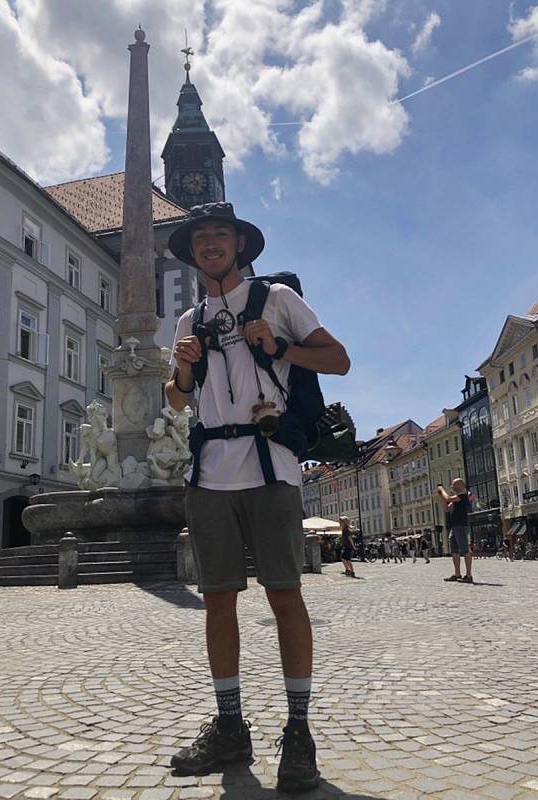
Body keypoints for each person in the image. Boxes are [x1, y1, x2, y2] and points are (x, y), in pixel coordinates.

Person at [165, 202, 350, 792]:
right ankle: (229, 726)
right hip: (209, 474)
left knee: (285, 596)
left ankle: (298, 732)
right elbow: (175, 401)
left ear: (240, 245)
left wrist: (278, 347)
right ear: (193, 252)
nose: (210, 243)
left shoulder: (276, 299)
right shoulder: (188, 319)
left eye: (221, 234)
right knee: (218, 602)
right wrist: (182, 371)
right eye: (200, 237)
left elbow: (338, 360)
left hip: (271, 468)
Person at [437, 479, 473, 583]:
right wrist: (441, 497)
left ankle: (469, 575)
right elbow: (447, 509)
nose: (452, 486)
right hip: (454, 526)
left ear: (460, 486)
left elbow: (448, 498)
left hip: (461, 525)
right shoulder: (456, 498)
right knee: (454, 551)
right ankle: (457, 573)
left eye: (453, 485)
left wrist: (442, 489)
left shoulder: (463, 496)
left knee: (465, 550)